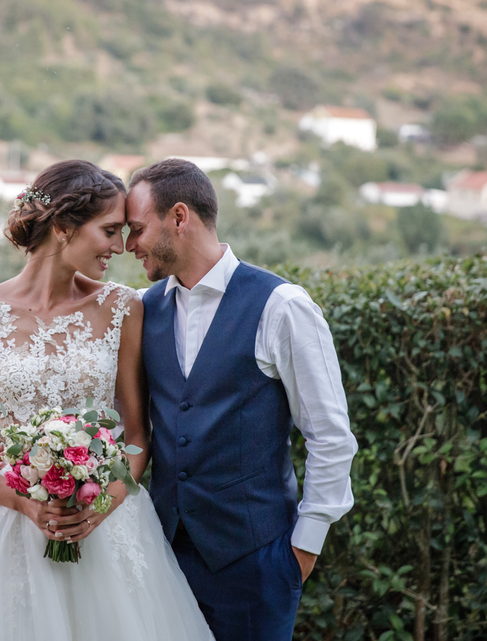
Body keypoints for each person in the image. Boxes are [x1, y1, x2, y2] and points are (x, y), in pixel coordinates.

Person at [0, 160, 214, 641]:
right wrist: (22, 504)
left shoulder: (124, 308)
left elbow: (136, 435)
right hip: (3, 526)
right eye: (108, 231)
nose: (120, 247)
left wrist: (101, 504)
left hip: (106, 526)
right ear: (64, 228)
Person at [123, 158, 358, 641]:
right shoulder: (144, 310)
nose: (129, 246)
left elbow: (331, 436)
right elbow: (118, 419)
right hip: (165, 557)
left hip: (257, 563)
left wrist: (302, 551)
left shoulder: (282, 305)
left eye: (137, 229)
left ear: (180, 218)